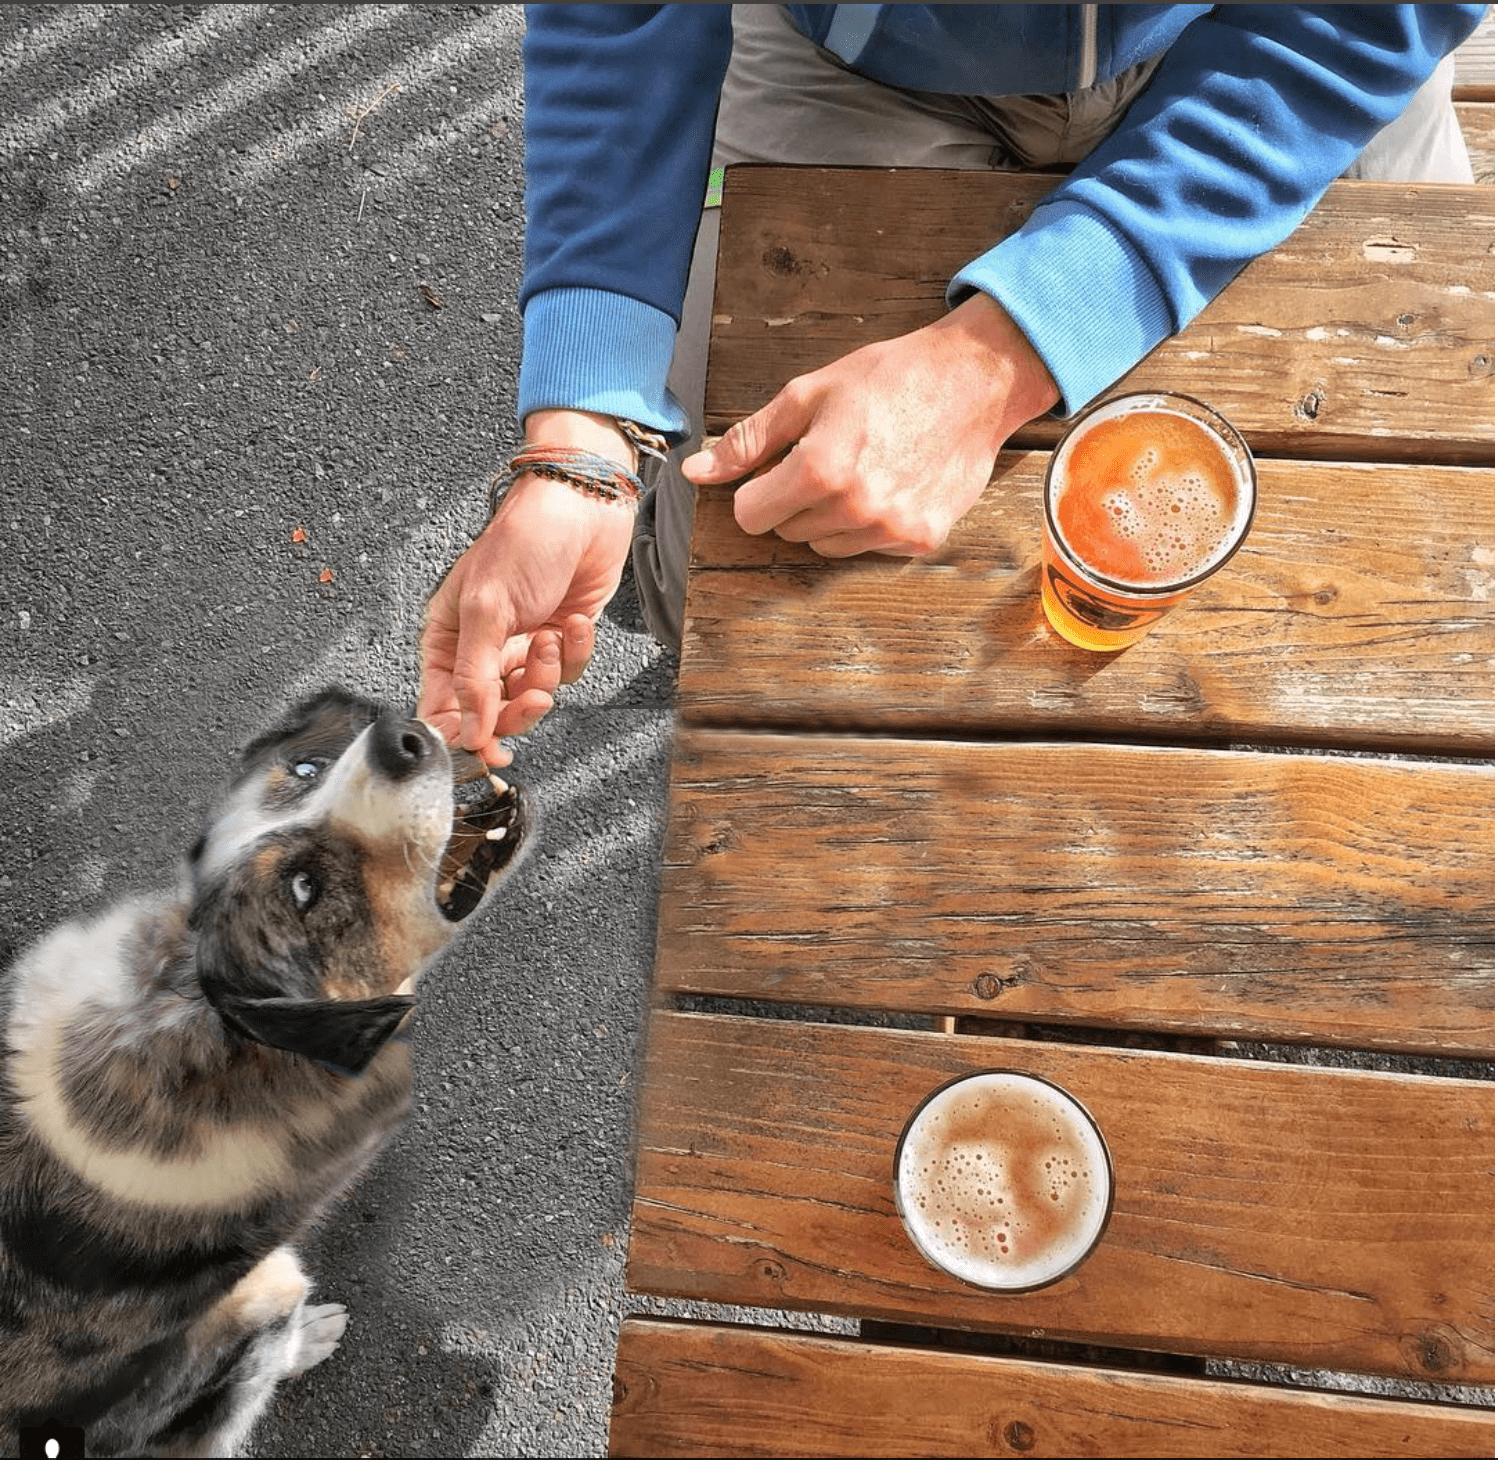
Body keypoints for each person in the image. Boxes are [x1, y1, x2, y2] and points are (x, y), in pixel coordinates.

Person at [418, 3, 1486, 766]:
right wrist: (582, 440)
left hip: (1284, 44)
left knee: (1423, 513)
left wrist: (993, 365)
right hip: (850, 62)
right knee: (735, 552)